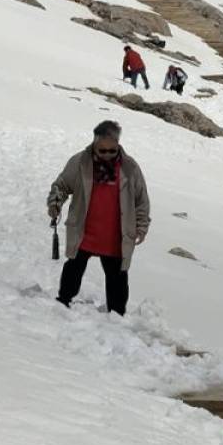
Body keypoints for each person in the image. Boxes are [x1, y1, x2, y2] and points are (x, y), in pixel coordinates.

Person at [47, 121, 150, 316]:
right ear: (94, 144)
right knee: (73, 269)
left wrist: (141, 226)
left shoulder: (129, 168)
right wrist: (55, 203)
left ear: (118, 145)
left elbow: (141, 201)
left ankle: (117, 317)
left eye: (112, 151)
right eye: (102, 151)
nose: (107, 155)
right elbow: (61, 185)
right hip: (84, 231)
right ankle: (62, 304)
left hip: (115, 237)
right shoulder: (80, 162)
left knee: (117, 279)